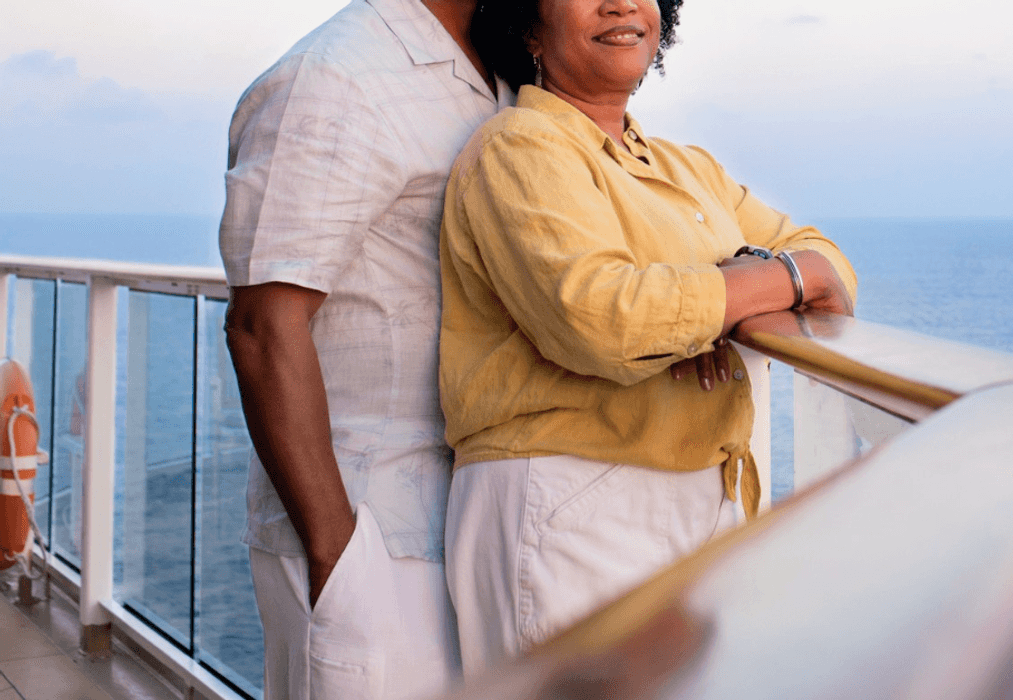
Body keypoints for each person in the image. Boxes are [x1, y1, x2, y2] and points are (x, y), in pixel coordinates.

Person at [439, 0, 858, 676]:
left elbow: (828, 263)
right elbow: (604, 321)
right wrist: (765, 281)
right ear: (526, 25)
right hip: (571, 498)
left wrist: (724, 298)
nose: (621, 4)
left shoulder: (688, 169)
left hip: (704, 492)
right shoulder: (517, 146)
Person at [218, 1, 514, 697]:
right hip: (369, 530)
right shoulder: (333, 77)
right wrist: (335, 550)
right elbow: (262, 327)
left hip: (472, 515)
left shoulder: (503, 67)